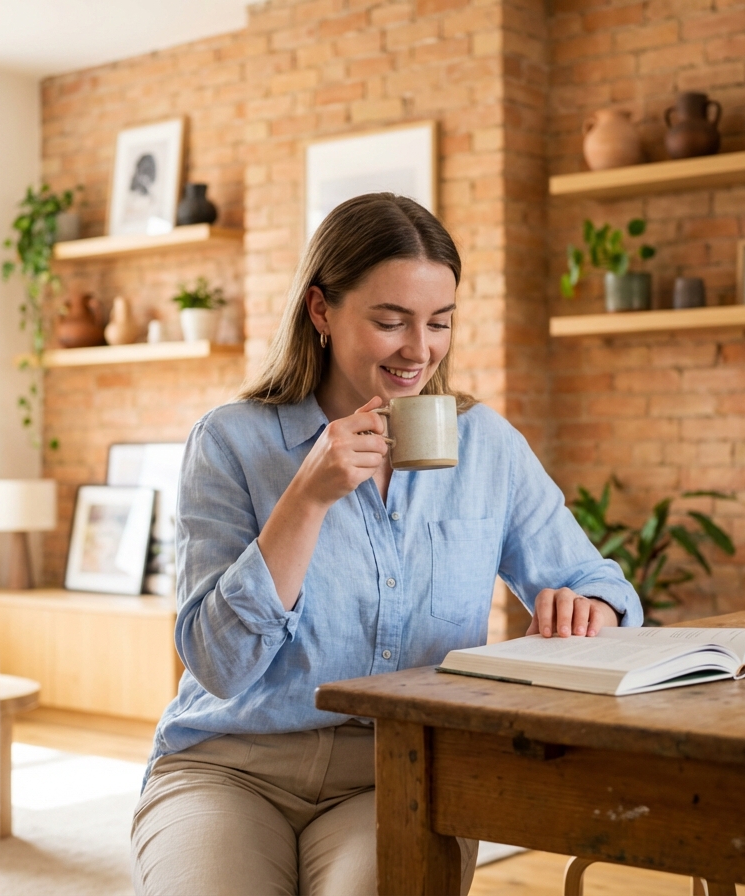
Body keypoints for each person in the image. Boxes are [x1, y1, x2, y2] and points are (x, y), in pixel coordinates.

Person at [130, 193, 642, 896]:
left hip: (405, 771)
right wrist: (306, 497)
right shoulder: (231, 441)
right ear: (321, 312)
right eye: (390, 321)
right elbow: (217, 664)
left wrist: (587, 610)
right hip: (229, 765)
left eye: (439, 323)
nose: (420, 349)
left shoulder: (485, 444)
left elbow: (597, 582)